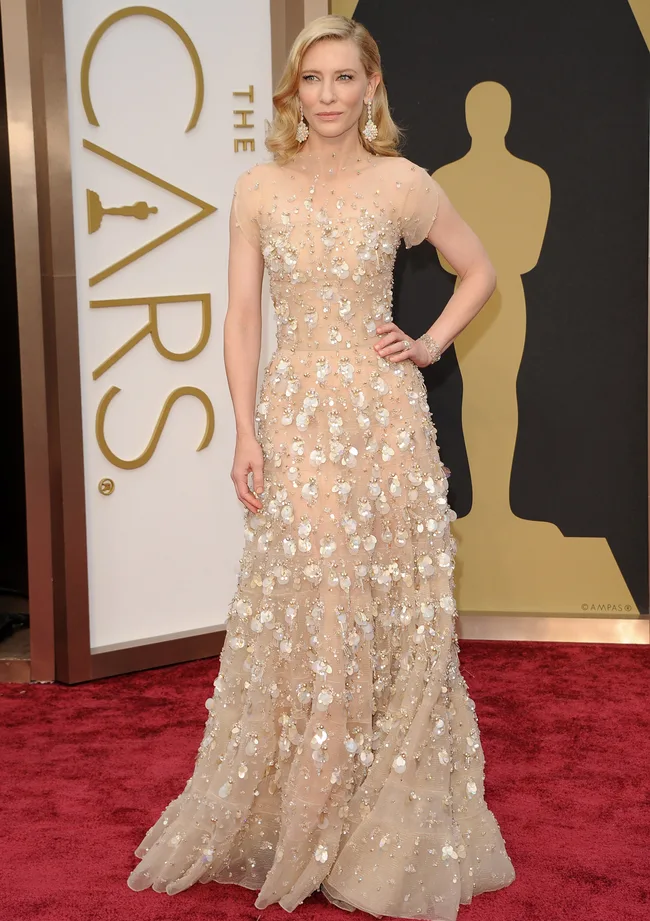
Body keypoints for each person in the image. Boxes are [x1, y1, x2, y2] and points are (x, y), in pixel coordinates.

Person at [127, 14, 516, 919]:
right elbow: (242, 318)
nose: (330, 94)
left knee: (391, 606)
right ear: (293, 92)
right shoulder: (259, 188)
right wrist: (246, 431)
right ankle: (309, 809)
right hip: (297, 419)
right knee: (321, 600)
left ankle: (379, 821)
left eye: (345, 78)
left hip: (386, 421)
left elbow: (480, 270)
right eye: (314, 79)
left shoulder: (402, 182)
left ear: (371, 87)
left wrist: (427, 344)